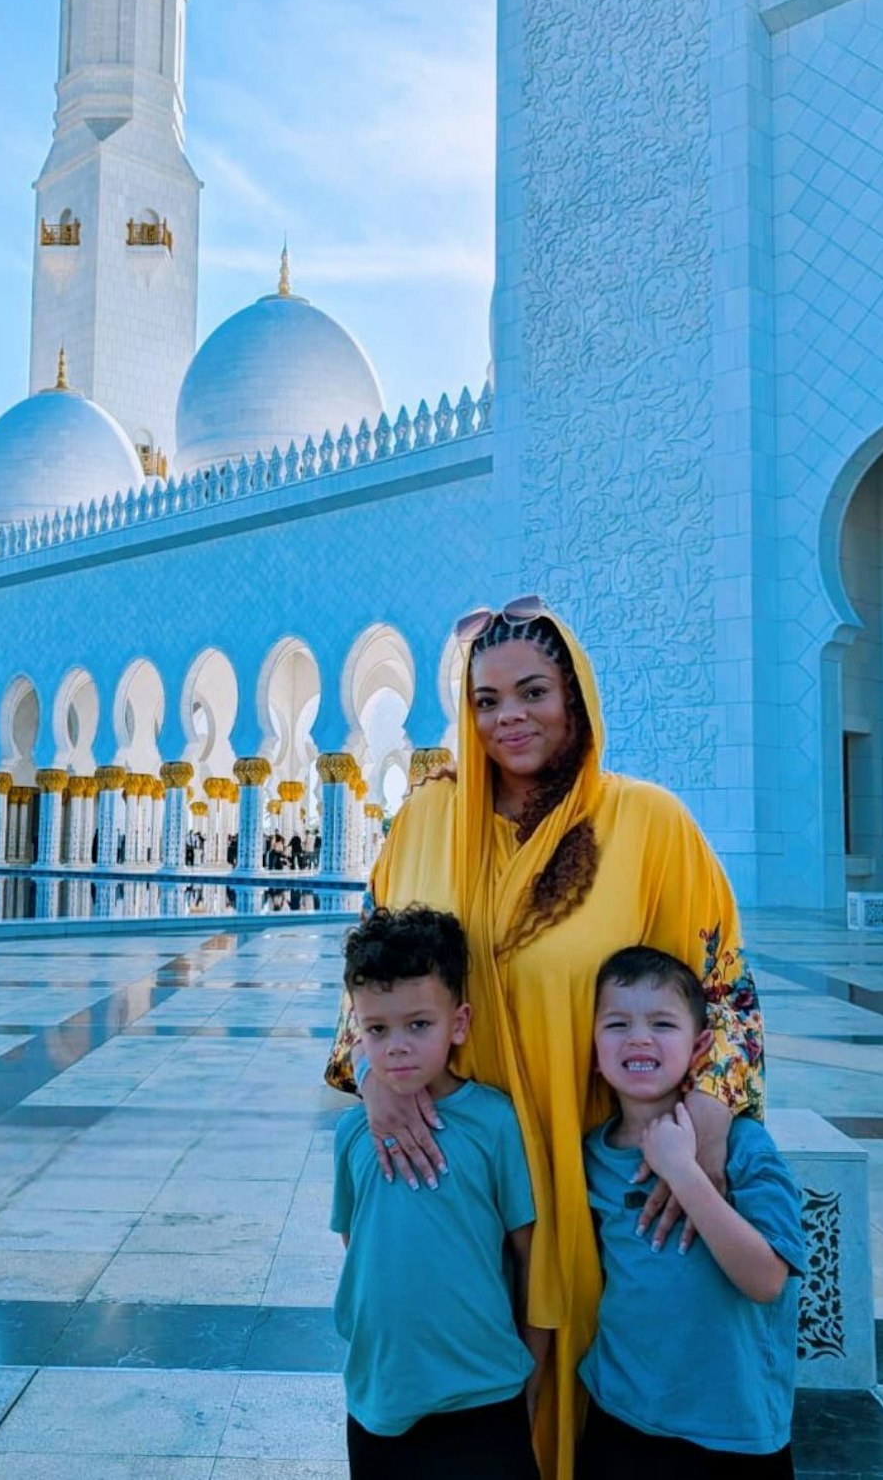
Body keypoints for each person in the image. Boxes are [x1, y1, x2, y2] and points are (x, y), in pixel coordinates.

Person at [323, 599, 765, 1480]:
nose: (508, 718)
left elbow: (725, 992)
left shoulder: (650, 826)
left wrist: (710, 1117)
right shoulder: (424, 823)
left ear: (578, 696)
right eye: (486, 700)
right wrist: (374, 1073)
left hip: (600, 1183)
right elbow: (369, 979)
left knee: (601, 1412)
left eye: (533, 691)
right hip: (457, 1178)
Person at [332, 906, 545, 1479]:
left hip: (484, 1392)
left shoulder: (494, 1124)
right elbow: (357, 1241)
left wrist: (532, 1376)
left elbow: (530, 1255)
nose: (397, 1046)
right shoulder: (353, 1130)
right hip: (381, 1393)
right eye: (378, 1029)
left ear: (459, 1022)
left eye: (418, 1024)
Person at [579, 947, 803, 1477]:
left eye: (662, 1023)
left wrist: (685, 1172)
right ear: (592, 1052)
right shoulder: (590, 1156)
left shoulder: (746, 1147)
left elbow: (767, 1279)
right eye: (617, 1024)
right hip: (622, 1416)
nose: (639, 1038)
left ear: (701, 1045)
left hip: (733, 1431)